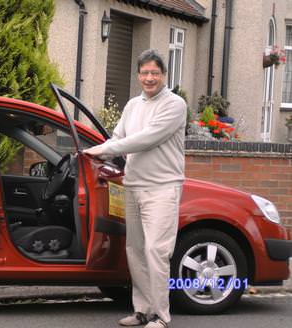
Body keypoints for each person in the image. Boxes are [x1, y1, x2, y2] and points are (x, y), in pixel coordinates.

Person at [84, 49, 186, 328]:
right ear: (138, 75)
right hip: (133, 186)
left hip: (162, 188)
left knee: (156, 251)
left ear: (164, 75)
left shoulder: (174, 105)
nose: (149, 78)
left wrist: (103, 150)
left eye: (155, 73)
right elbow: (119, 137)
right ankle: (142, 310)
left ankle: (161, 316)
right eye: (144, 73)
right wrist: (102, 155)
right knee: (136, 250)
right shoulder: (132, 106)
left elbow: (146, 139)